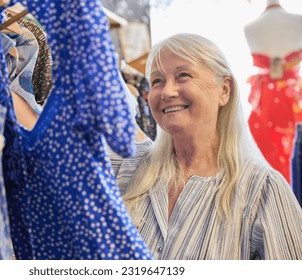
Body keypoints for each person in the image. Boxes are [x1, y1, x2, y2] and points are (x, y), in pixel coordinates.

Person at [111, 33, 302, 259]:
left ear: (224, 90)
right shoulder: (123, 168)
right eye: (157, 81)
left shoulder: (263, 191)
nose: (167, 92)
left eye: (183, 75)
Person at [243, 0, 302, 184]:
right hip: (270, 105)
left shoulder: (298, 21)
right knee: (266, 166)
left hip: (288, 104)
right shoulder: (249, 28)